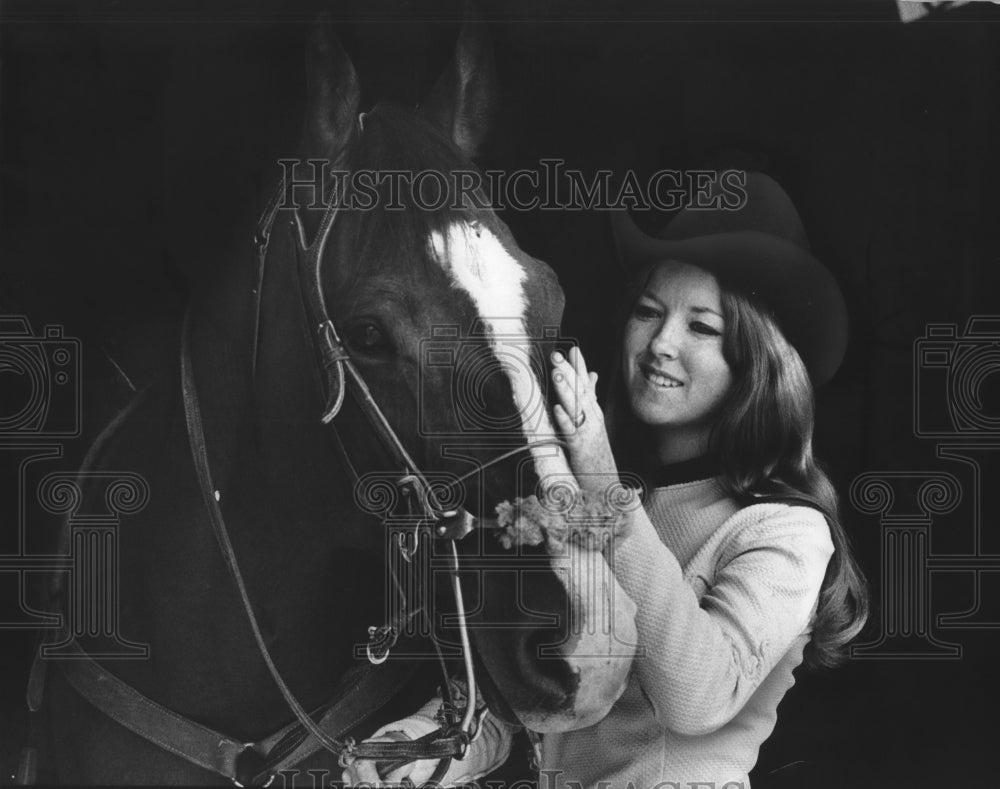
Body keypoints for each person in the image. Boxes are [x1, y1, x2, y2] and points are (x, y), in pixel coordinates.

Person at [343, 170, 868, 788]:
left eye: (701, 327)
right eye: (648, 312)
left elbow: (698, 699)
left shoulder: (786, 530)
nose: (660, 344)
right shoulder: (596, 495)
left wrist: (597, 475)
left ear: (757, 359)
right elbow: (534, 697)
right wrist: (420, 746)